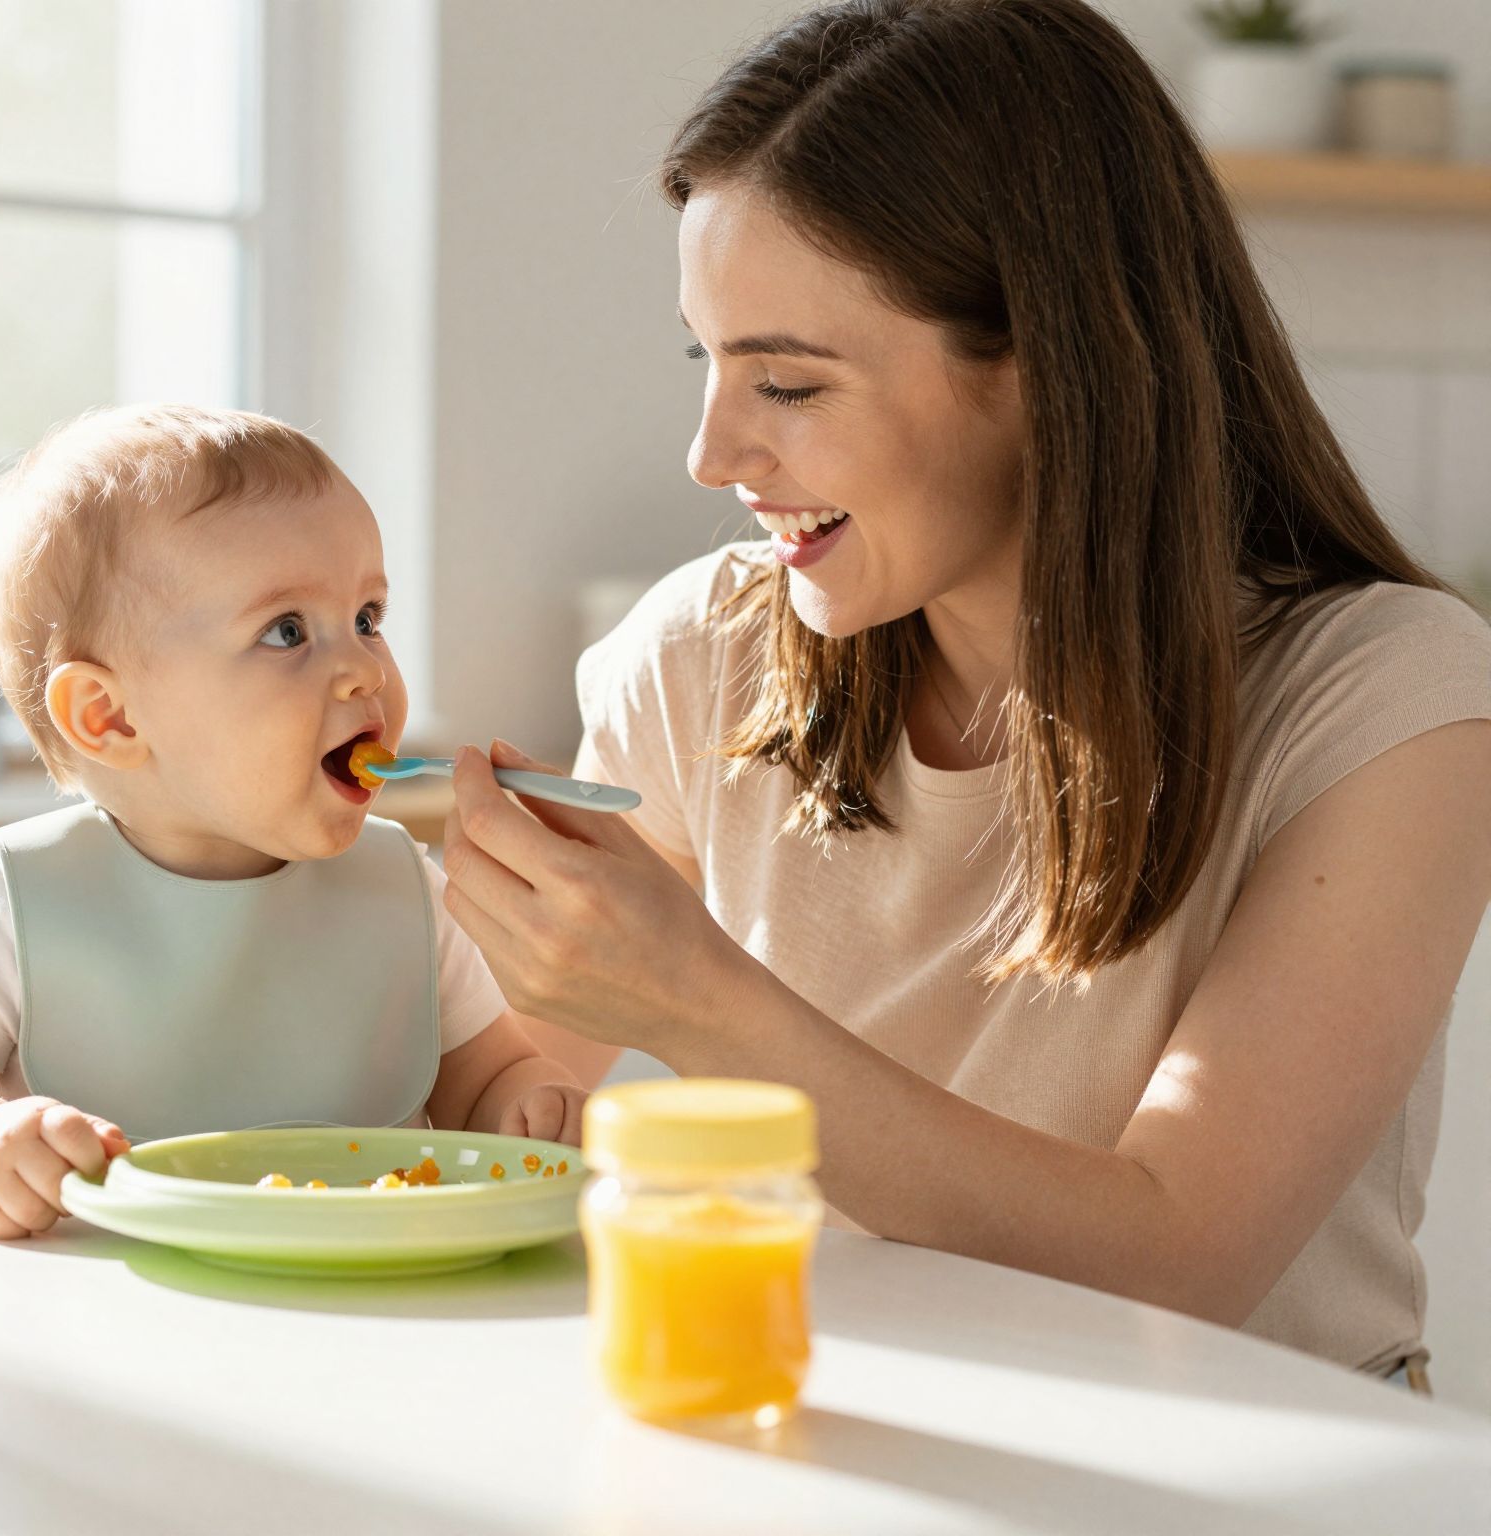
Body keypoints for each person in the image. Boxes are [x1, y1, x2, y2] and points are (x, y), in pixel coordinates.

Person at [437, 0, 1491, 1384]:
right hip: (850, 1451)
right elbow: (471, 1121)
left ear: (1052, 366)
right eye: (709, 361)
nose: (712, 452)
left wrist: (701, 1001)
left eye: (790, 384)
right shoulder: (698, 663)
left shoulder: (1389, 697)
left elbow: (1179, 1268)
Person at [0, 405, 586, 1240]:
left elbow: (489, 1079)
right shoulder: (17, 903)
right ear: (110, 718)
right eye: (287, 631)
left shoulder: (406, 891)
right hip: (106, 1328)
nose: (361, 670)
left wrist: (536, 1107)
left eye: (368, 618)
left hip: (373, 1321)